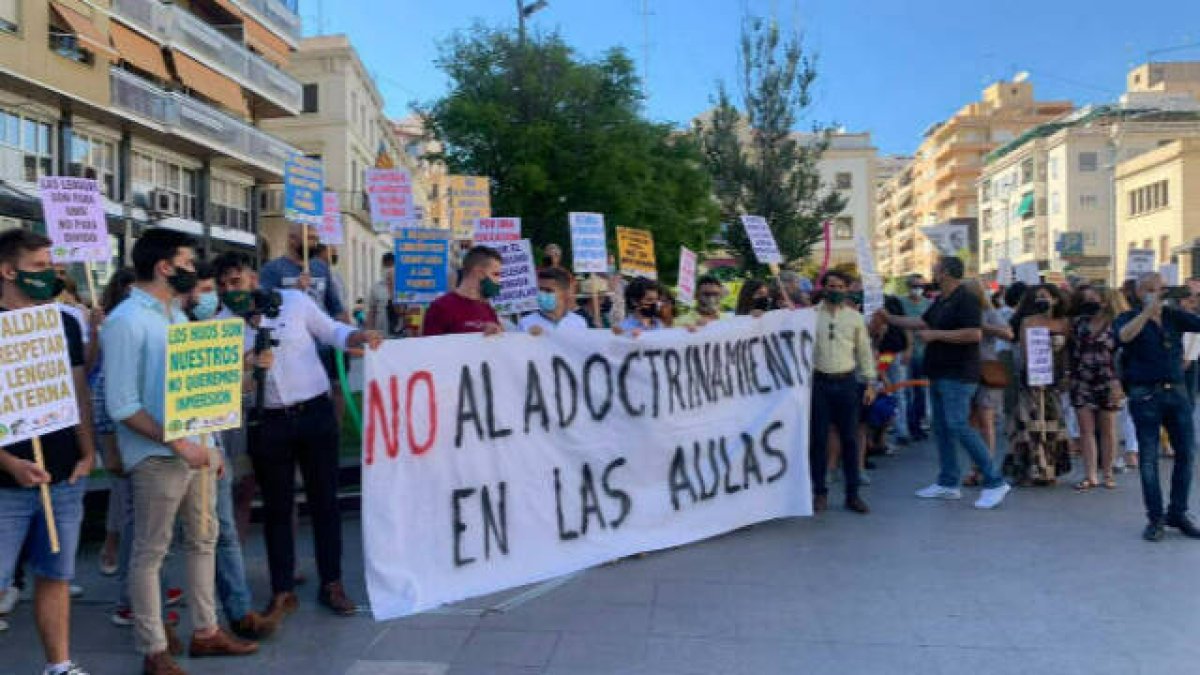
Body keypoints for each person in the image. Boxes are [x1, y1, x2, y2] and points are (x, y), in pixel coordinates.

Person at [101, 229, 258, 674]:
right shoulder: (126, 320)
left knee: (204, 540)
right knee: (151, 552)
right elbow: (122, 404)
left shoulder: (177, 317)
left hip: (198, 453)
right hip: (156, 458)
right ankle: (154, 649)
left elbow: (197, 393)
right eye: (188, 262)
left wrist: (210, 444)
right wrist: (178, 443)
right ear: (165, 267)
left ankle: (206, 631)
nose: (194, 270)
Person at [215, 253, 382, 623]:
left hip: (314, 414)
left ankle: (333, 583)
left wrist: (357, 335)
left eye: (237, 281)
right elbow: (223, 385)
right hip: (267, 421)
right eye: (223, 285)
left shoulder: (292, 302)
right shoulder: (221, 325)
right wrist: (246, 365)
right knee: (276, 508)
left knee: (325, 501)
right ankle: (281, 590)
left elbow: (331, 332)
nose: (231, 290)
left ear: (254, 278)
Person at [0, 229, 97, 675]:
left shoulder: (62, 322)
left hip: (63, 474)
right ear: (7, 270)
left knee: (56, 575)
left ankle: (58, 665)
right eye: (38, 268)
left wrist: (87, 450)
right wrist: (9, 463)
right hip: (6, 482)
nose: (48, 276)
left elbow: (78, 390)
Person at [881, 256, 1011, 509]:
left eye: (936, 269)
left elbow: (973, 333)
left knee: (958, 425)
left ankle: (994, 481)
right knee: (942, 429)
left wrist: (936, 335)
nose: (932, 272)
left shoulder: (967, 299)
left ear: (946, 273)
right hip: (939, 372)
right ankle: (948, 482)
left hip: (959, 374)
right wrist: (890, 319)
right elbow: (921, 322)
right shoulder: (941, 300)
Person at [1115, 272, 1200, 541]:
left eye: (1160, 289)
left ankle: (1178, 512)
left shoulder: (1174, 316)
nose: (1156, 293)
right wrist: (1147, 313)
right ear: (1139, 292)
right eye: (1150, 289)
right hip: (1145, 394)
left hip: (1176, 391)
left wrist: (1194, 298)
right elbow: (1124, 337)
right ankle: (1155, 518)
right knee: (1149, 459)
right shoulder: (1128, 317)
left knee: (1186, 453)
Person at [809, 271, 877, 515]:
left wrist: (870, 382)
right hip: (819, 384)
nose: (835, 289)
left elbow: (864, 352)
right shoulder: (809, 316)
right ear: (823, 287)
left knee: (850, 440)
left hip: (847, 383)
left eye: (840, 286)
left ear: (846, 289)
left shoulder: (855, 318)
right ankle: (819, 493)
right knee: (818, 441)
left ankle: (853, 494)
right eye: (831, 285)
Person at [1007, 284, 1072, 487]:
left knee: (1052, 424)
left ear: (1055, 299)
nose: (1040, 301)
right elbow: (1026, 352)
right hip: (1032, 378)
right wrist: (1033, 375)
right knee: (1030, 424)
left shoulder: (1063, 323)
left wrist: (1066, 374)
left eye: (1044, 297)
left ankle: (1049, 468)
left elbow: (1068, 352)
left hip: (1055, 379)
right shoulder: (1028, 322)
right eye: (1036, 298)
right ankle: (1029, 468)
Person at [1069, 285, 1126, 492]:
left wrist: (1121, 381)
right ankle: (1090, 474)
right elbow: (1071, 349)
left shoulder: (1117, 324)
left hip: (1108, 379)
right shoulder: (1078, 323)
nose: (1089, 303)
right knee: (1086, 429)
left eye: (1094, 299)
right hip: (1082, 379)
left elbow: (1123, 353)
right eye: (1086, 300)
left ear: (1105, 301)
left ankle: (1108, 473)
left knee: (1108, 428)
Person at [963, 280, 1013, 486]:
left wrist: (984, 328)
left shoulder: (989, 312)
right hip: (965, 369)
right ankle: (975, 467)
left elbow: (1008, 333)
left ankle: (986, 467)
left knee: (986, 420)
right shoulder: (961, 313)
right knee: (971, 421)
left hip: (986, 368)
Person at [259, 224, 346, 321]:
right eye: (310, 238)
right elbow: (264, 307)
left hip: (320, 332)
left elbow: (336, 308)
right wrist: (294, 291)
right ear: (292, 239)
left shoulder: (321, 267)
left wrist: (350, 332)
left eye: (316, 239)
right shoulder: (272, 269)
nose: (315, 243)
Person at [422, 246, 504, 337]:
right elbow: (431, 348)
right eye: (495, 274)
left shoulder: (488, 309)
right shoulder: (440, 307)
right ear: (479, 273)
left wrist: (497, 334)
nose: (498, 280)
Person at [900, 275, 932, 441]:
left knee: (920, 391)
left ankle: (917, 425)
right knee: (905, 391)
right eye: (914, 285)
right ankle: (905, 426)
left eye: (920, 286)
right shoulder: (901, 303)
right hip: (905, 352)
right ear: (908, 286)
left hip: (924, 353)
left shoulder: (928, 304)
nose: (917, 289)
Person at [519, 267, 588, 333]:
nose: (542, 294)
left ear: (564, 293)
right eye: (540, 289)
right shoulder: (526, 323)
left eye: (548, 290)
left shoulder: (578, 323)